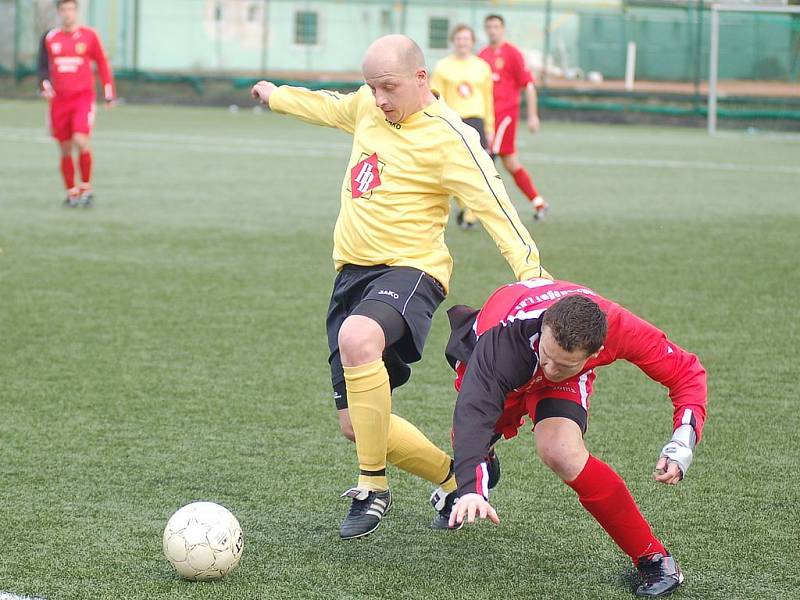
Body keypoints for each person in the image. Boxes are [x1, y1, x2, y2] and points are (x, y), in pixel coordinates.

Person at [251, 35, 550, 540]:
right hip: (351, 275)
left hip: (412, 272)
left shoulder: (451, 138)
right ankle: (457, 476)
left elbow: (496, 208)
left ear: (420, 78)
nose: (380, 98)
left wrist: (535, 279)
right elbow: (330, 107)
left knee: (358, 338)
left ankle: (373, 488)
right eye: (372, 87)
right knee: (357, 426)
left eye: (388, 87)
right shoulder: (369, 106)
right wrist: (277, 95)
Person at [444, 278, 707, 597]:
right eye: (548, 355)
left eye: (565, 364)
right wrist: (471, 490)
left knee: (560, 451)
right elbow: (473, 414)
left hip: (548, 365)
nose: (551, 368)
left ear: (597, 351)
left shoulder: (618, 327)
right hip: (504, 361)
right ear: (545, 329)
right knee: (468, 437)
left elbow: (686, 372)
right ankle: (481, 467)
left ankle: (653, 557)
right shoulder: (501, 343)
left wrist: (683, 439)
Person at [37, 0, 115, 208]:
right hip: (59, 101)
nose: (67, 14)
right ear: (59, 12)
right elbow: (42, 68)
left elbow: (102, 63)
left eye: (71, 9)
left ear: (76, 12)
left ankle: (86, 189)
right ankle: (71, 193)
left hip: (82, 98)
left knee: (81, 140)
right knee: (64, 148)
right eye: (63, 9)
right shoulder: (50, 37)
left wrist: (108, 92)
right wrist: (45, 86)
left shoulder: (89, 36)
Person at [478, 14, 548, 220]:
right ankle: (539, 202)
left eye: (496, 26)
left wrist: (533, 116)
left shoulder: (513, 53)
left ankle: (473, 213)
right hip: (487, 117)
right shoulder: (482, 55)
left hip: (505, 117)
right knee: (509, 162)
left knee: (485, 159)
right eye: (489, 26)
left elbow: (528, 85)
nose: (493, 30)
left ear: (503, 29)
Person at [431, 24, 494, 231]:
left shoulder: (482, 67)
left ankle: (470, 213)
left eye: (466, 39)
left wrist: (490, 127)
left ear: (472, 42)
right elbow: (435, 97)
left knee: (476, 170)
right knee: (450, 169)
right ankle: (465, 206)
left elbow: (488, 98)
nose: (462, 42)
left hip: (476, 122)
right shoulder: (442, 66)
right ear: (453, 41)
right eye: (459, 38)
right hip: (452, 121)